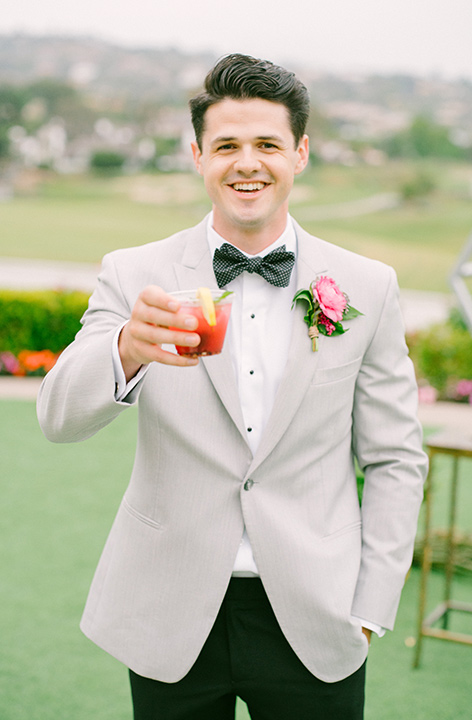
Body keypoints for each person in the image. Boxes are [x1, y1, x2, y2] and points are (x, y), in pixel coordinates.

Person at [37, 53, 428, 720]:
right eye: (226, 146)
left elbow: (395, 457)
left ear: (300, 153)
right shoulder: (135, 274)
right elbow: (58, 417)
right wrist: (126, 348)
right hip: (169, 611)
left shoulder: (367, 285)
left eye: (267, 144)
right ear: (198, 155)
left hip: (316, 614)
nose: (247, 163)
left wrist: (371, 605)